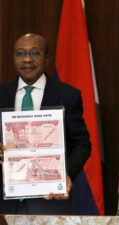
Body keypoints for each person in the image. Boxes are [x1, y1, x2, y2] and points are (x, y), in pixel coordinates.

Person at [0, 33, 91, 214]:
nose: (27, 59)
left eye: (35, 53)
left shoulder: (68, 95)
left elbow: (82, 144)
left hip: (49, 199)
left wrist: (66, 176)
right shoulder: (1, 94)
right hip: (5, 200)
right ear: (13, 58)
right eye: (20, 54)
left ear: (47, 58)